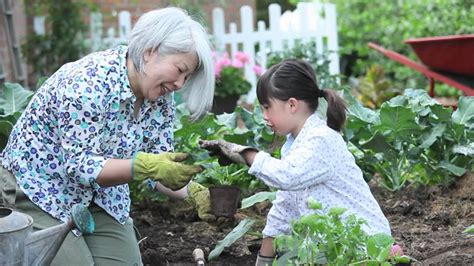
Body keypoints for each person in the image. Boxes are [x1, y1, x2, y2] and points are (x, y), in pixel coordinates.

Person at [0, 7, 214, 265]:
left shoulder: (160, 101)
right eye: (179, 69)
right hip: (40, 189)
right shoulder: (86, 83)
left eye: (187, 76)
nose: (180, 83)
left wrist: (197, 193)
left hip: (100, 195)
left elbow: (158, 171)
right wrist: (143, 166)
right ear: (149, 52)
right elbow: (80, 166)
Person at [200, 58, 392, 265]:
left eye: (267, 107)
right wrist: (263, 261)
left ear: (292, 105)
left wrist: (246, 154)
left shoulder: (321, 139)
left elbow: (287, 176)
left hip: (367, 247)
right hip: (336, 251)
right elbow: (284, 209)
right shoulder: (295, 145)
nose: (264, 116)